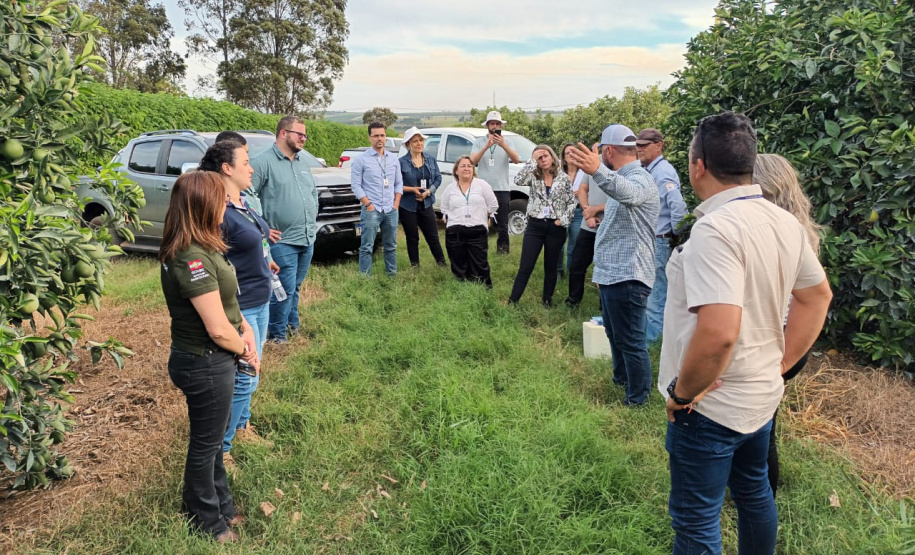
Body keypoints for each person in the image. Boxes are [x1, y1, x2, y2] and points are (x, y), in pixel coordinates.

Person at [658, 112, 832, 554]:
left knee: (697, 520)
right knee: (754, 494)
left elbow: (719, 333)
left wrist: (682, 392)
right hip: (760, 395)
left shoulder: (715, 230)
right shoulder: (783, 221)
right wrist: (781, 362)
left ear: (697, 166)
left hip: (709, 405)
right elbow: (817, 297)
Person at [159, 171, 260, 543]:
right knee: (206, 444)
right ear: (202, 205)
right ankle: (205, 519)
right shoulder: (190, 257)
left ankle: (222, 506)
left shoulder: (206, 245)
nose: (227, 205)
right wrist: (246, 347)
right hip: (204, 361)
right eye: (221, 199)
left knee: (213, 439)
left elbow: (229, 305)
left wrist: (246, 328)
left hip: (215, 357)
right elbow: (217, 329)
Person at [565, 125, 659, 406]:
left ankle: (637, 399)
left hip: (629, 275)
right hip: (613, 274)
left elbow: (628, 193)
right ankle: (621, 381)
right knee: (614, 333)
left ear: (608, 151)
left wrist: (596, 171)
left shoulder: (639, 178)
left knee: (631, 340)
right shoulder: (622, 176)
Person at [198, 141, 278, 457]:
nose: (252, 168)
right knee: (244, 376)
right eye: (245, 162)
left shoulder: (241, 203)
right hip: (240, 304)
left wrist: (263, 257)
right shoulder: (216, 210)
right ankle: (224, 449)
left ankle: (243, 427)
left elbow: (251, 240)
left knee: (253, 372)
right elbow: (212, 263)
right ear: (227, 168)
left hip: (260, 297)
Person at [754, 152, 823, 497]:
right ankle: (760, 490)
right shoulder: (800, 229)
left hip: (775, 340)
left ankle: (760, 492)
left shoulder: (769, 230)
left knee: (759, 425)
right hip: (793, 339)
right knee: (766, 419)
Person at [249, 116, 318, 345]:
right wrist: (263, 228)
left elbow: (312, 194)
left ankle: (291, 325)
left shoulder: (302, 163)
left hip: (306, 236)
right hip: (282, 240)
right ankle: (276, 336)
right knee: (283, 289)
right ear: (282, 133)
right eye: (299, 134)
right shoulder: (262, 163)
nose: (303, 139)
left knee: (295, 287)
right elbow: (247, 198)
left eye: (305, 135)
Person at [507, 145, 577, 307]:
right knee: (526, 265)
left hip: (555, 227)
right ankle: (513, 301)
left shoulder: (563, 177)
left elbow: (571, 203)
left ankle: (547, 300)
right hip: (535, 226)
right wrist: (531, 162)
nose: (543, 159)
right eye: (539, 157)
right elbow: (518, 180)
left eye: (546, 156)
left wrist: (563, 220)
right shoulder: (533, 175)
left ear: (552, 157)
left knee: (551, 266)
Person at [636, 128, 688, 344]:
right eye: (637, 145)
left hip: (659, 239)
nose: (639, 150)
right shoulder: (648, 169)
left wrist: (674, 233)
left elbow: (678, 207)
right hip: (650, 239)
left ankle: (653, 343)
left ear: (659, 145)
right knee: (649, 291)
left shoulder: (663, 172)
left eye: (644, 145)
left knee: (656, 294)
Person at [565, 143, 614, 308]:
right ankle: (573, 301)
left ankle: (604, 306)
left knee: (607, 267)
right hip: (589, 226)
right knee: (577, 264)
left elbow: (621, 200)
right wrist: (587, 212)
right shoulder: (593, 162)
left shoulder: (622, 167)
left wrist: (596, 210)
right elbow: (582, 189)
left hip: (610, 226)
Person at [351, 121, 403, 276]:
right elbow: (356, 185)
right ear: (369, 138)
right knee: (367, 246)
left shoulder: (393, 158)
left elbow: (399, 182)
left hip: (390, 209)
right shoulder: (361, 160)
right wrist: (368, 204)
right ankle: (364, 277)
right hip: (372, 209)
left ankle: (392, 275)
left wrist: (396, 204)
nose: (379, 138)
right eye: (376, 136)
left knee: (391, 245)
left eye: (382, 135)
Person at [440, 156, 499, 287]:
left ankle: (483, 290)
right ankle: (462, 289)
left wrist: (483, 216)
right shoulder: (450, 188)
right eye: (463, 166)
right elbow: (444, 208)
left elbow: (493, 205)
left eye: (469, 166)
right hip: (455, 231)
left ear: (473, 169)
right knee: (458, 263)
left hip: (477, 230)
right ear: (456, 171)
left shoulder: (482, 185)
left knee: (480, 264)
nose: (466, 168)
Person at [469, 110, 520, 254]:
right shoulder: (479, 142)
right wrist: (486, 146)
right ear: (487, 125)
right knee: (480, 221)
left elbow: (516, 159)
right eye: (492, 123)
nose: (495, 126)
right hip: (483, 188)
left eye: (497, 124)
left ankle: (503, 251)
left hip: (502, 188)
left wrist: (503, 145)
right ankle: (480, 248)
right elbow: (472, 161)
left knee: (502, 223)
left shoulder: (508, 142)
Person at [398, 127, 446, 267]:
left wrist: (429, 191)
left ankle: (441, 264)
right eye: (415, 141)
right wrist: (412, 189)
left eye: (421, 140)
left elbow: (438, 178)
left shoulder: (430, 159)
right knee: (412, 238)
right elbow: (396, 185)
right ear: (408, 144)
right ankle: (415, 266)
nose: (419, 143)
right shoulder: (401, 162)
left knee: (433, 236)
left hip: (426, 203)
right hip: (408, 205)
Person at [557, 143, 587, 277]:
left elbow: (590, 188)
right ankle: (558, 271)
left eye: (573, 152)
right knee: (559, 244)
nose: (571, 155)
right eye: (567, 153)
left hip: (578, 211)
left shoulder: (585, 171)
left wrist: (581, 192)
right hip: (561, 212)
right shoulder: (558, 172)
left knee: (574, 244)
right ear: (563, 157)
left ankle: (570, 271)